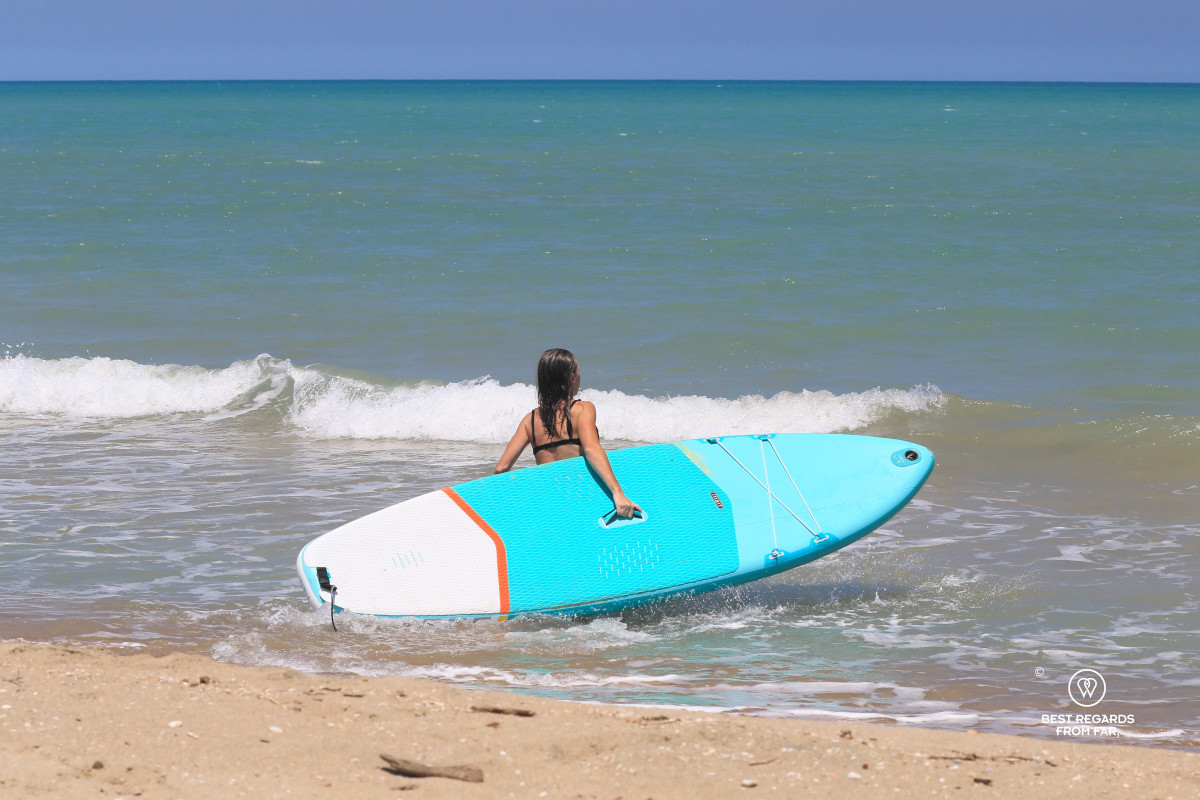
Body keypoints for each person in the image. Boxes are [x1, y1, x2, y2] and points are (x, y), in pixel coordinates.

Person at [494, 348, 641, 519]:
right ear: (571, 377)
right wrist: (618, 493)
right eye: (578, 370)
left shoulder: (530, 420)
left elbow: (501, 468)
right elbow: (591, 449)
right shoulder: (583, 409)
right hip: (579, 498)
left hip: (548, 504)